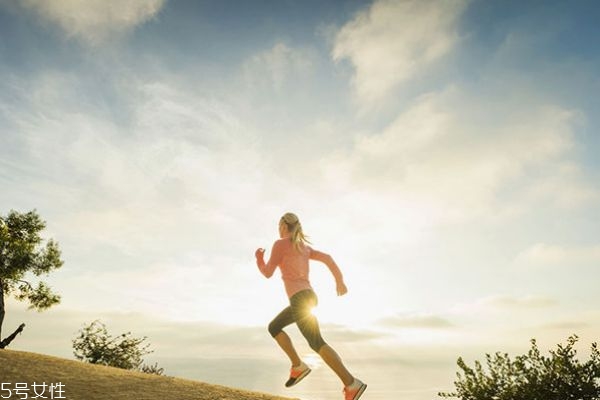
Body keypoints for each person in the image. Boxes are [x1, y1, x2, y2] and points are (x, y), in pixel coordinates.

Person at [254, 212, 367, 400]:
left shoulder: (280, 244)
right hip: (309, 297)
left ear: (283, 226)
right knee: (274, 327)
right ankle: (298, 366)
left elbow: (267, 273)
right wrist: (340, 281)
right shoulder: (303, 247)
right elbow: (328, 258)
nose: (278, 229)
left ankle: (351, 383)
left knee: (316, 342)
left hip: (299, 300)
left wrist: (259, 259)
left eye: (278, 225)